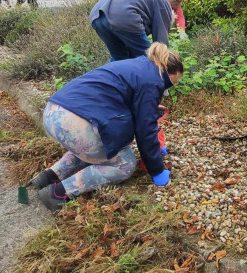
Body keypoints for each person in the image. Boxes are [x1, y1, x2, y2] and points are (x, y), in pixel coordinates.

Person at [30, 42, 183, 211]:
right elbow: (145, 130)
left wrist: (154, 139)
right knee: (124, 163)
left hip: (54, 112)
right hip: (76, 124)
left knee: (98, 146)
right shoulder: (153, 81)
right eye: (170, 84)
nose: (166, 90)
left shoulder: (137, 66)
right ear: (167, 72)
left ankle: (49, 177)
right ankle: (58, 193)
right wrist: (156, 169)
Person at [89, 0, 175, 61]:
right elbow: (161, 46)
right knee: (148, 60)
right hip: (124, 16)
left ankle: (108, 77)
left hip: (97, 15)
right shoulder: (165, 8)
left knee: (120, 59)